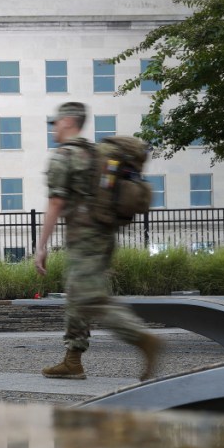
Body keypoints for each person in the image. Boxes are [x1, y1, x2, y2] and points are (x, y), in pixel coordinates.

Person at [35, 101, 160, 381]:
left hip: (85, 238)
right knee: (77, 295)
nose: (53, 128)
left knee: (90, 298)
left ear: (68, 122)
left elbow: (56, 201)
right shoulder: (94, 154)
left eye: (55, 122)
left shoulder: (64, 156)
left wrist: (41, 246)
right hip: (104, 235)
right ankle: (73, 360)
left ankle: (141, 338)